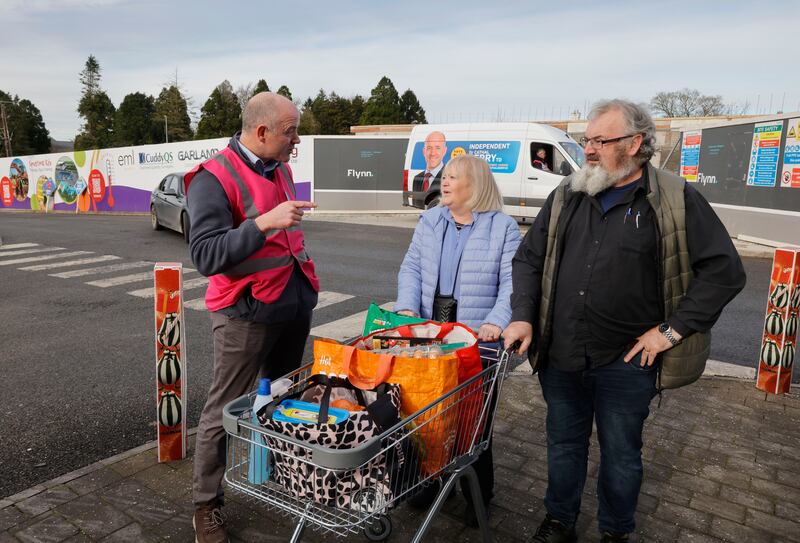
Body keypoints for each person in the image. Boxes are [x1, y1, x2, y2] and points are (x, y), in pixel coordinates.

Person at [503, 99, 746, 543]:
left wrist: (670, 331)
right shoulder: (568, 194)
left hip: (627, 362)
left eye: (601, 140)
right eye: (587, 140)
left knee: (621, 455)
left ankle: (616, 531)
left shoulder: (675, 197)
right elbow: (529, 259)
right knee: (563, 446)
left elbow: (725, 272)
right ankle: (560, 521)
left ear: (635, 144)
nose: (589, 150)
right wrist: (522, 316)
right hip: (560, 355)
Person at [184, 92, 320, 543]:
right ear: (261, 132)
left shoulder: (279, 166)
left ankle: (279, 474)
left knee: (282, 397)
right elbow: (206, 254)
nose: (296, 140)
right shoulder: (211, 178)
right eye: (290, 131)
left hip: (291, 304)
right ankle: (206, 506)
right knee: (223, 410)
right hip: (244, 314)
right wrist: (264, 222)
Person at [395, 153, 521, 526]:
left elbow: (514, 283)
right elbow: (412, 267)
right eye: (444, 176)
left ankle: (478, 492)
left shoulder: (503, 227)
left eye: (452, 177)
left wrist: (497, 321)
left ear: (475, 185)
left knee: (471, 422)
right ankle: (429, 483)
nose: (443, 182)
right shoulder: (431, 220)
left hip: (475, 340)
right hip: (429, 335)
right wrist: (405, 308)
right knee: (422, 415)